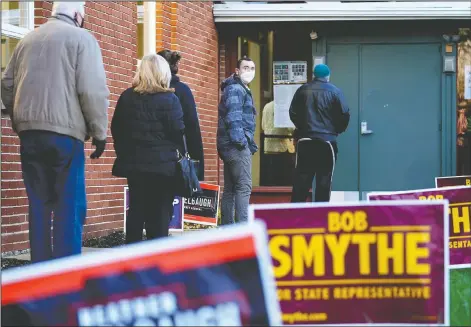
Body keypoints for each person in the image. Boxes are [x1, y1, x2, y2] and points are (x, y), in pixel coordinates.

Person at [1, 1, 109, 263]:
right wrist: (99, 132)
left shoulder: (28, 41)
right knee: (67, 207)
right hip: (65, 135)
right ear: (75, 14)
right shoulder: (83, 39)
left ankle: (39, 271)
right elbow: (92, 90)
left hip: (30, 135)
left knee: (38, 205)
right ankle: (65, 275)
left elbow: (6, 85)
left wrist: (20, 119)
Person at [111, 53, 185, 244]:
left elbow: (117, 128)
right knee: (160, 213)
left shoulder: (127, 97)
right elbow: (178, 133)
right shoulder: (170, 99)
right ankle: (156, 257)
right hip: (163, 168)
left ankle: (132, 257)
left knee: (136, 210)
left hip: (135, 166)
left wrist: (124, 154)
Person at [289, 64, 350, 202]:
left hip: (305, 141)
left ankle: (295, 216)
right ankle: (320, 216)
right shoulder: (335, 91)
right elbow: (345, 114)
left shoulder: (302, 90)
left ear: (313, 75)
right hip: (326, 141)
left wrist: (302, 128)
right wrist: (336, 130)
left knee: (301, 181)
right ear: (328, 76)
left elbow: (293, 113)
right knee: (324, 181)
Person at [217, 56, 258, 225]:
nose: (249, 71)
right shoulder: (236, 89)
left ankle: (228, 229)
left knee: (231, 189)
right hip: (236, 146)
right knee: (243, 187)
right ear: (237, 71)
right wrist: (242, 142)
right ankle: (241, 230)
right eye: (245, 68)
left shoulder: (237, 88)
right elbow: (234, 119)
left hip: (229, 146)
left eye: (252, 68)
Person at [158, 50, 205, 180]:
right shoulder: (182, 91)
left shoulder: (141, 92)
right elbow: (192, 129)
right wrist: (198, 166)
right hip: (175, 160)